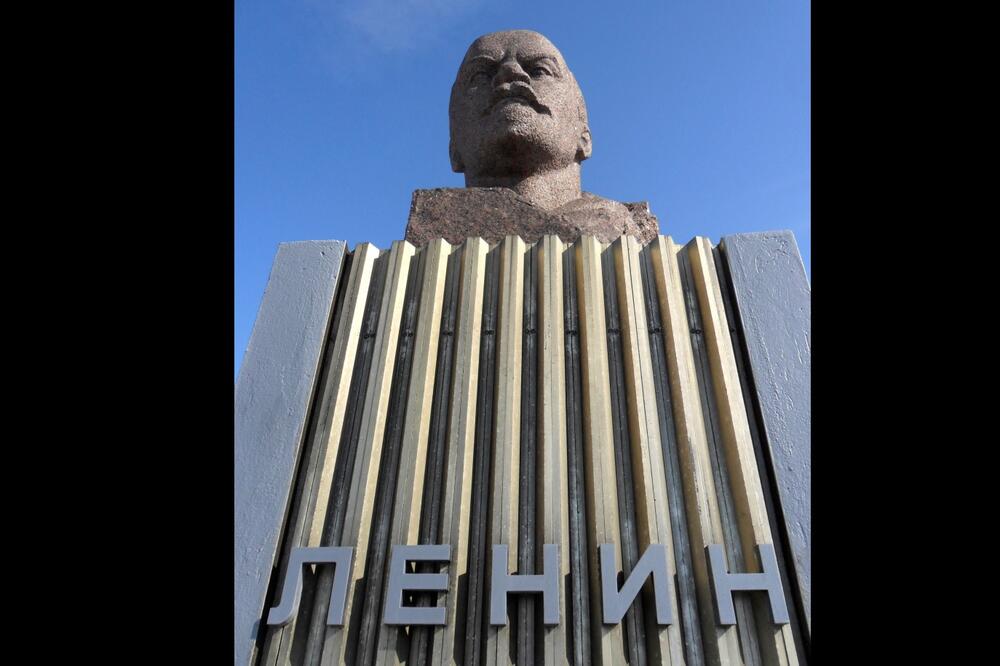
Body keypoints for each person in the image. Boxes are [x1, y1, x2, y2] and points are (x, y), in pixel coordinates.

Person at [405, 30, 659, 246]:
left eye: (539, 70)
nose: (510, 72)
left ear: (585, 137)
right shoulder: (434, 237)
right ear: (453, 148)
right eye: (481, 75)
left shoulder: (622, 229)